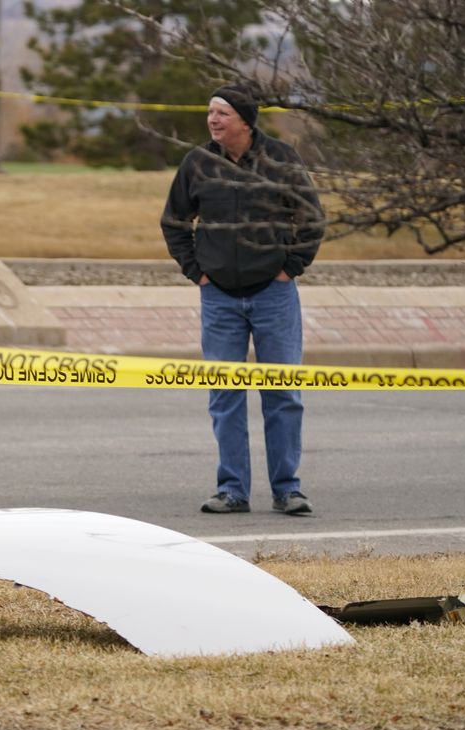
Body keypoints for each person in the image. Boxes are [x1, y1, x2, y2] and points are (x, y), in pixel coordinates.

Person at [161, 83, 325, 515]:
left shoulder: (281, 160)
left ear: (245, 120)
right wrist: (196, 272)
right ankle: (232, 490)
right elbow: (175, 222)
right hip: (219, 298)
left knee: (283, 393)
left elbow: (311, 218)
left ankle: (287, 489)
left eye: (222, 113)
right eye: (211, 112)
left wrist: (290, 267)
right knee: (225, 394)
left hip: (274, 293)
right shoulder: (197, 163)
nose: (213, 120)